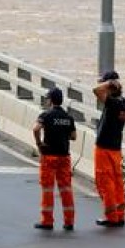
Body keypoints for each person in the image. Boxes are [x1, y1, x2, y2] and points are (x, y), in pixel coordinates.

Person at [32, 87, 76, 231]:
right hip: (64, 157)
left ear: (50, 100)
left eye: (47, 98)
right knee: (66, 190)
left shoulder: (46, 115)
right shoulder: (68, 117)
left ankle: (47, 221)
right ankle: (69, 222)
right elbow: (73, 137)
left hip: (49, 156)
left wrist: (39, 144)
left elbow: (36, 129)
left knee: (48, 190)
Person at [93, 70, 125, 227]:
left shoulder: (113, 102)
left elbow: (96, 90)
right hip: (115, 147)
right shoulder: (124, 102)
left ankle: (111, 217)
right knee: (117, 181)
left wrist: (109, 84)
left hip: (104, 148)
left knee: (105, 181)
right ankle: (120, 215)